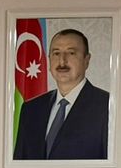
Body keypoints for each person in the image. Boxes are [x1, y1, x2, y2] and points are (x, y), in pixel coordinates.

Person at [11, 28, 110, 161]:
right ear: (49, 60)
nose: (62, 61)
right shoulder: (31, 109)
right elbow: (19, 165)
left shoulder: (107, 107)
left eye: (71, 53)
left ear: (86, 60)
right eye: (56, 53)